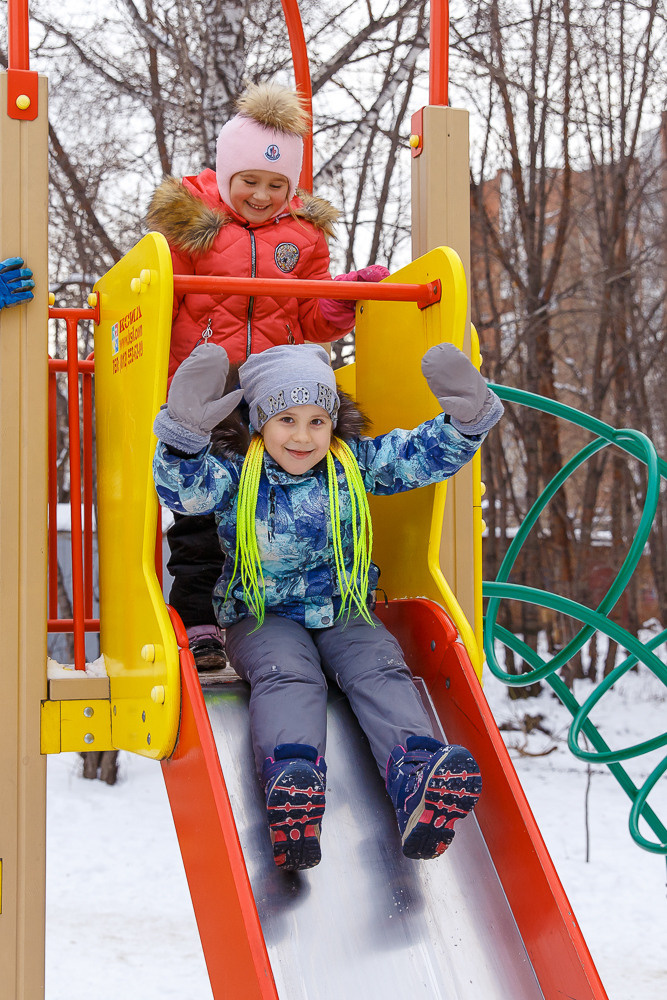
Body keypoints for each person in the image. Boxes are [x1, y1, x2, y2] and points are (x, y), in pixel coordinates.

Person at [152, 339, 503, 871]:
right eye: (287, 420)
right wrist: (184, 438)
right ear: (260, 422)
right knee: (288, 675)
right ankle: (293, 784)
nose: (303, 436)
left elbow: (414, 457)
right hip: (261, 616)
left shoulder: (352, 464)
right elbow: (186, 492)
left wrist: (466, 423)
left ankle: (418, 775)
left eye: (318, 421)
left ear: (333, 423)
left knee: (381, 666)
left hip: (343, 609)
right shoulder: (237, 474)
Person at [146, 81, 388, 669]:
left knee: (264, 500)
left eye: (276, 184)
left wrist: (342, 300)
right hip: (207, 388)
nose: (261, 194)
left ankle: (272, 608)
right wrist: (166, 383)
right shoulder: (192, 224)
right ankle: (197, 618)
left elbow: (312, 316)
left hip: (273, 393)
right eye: (249, 180)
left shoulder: (303, 234)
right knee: (199, 508)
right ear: (228, 173)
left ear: (291, 186)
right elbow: (157, 302)